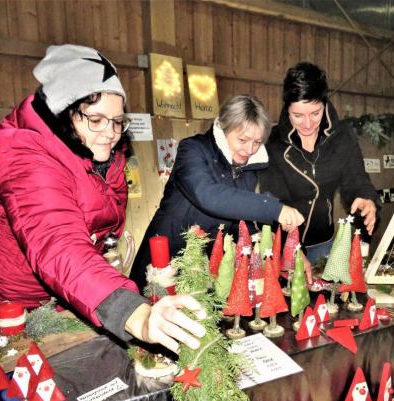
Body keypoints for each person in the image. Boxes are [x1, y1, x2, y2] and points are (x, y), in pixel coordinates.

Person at [0, 44, 205, 354]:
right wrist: (133, 313)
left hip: (51, 298)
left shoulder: (102, 154)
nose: (110, 133)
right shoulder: (23, 151)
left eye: (117, 121)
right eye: (95, 119)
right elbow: (57, 241)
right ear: (63, 112)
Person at [129, 95, 305, 291]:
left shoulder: (248, 167)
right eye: (243, 140)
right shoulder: (192, 149)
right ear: (224, 127)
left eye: (257, 142)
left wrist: (259, 235)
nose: (249, 149)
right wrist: (274, 209)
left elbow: (236, 215)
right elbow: (207, 194)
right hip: (166, 256)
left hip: (205, 264)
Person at [259, 62, 380, 264]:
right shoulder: (273, 143)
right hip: (283, 242)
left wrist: (365, 197)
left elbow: (356, 178)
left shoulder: (342, 137)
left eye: (315, 113)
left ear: (325, 104)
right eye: (298, 115)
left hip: (323, 242)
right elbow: (273, 199)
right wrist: (291, 248)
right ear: (287, 109)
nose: (307, 124)